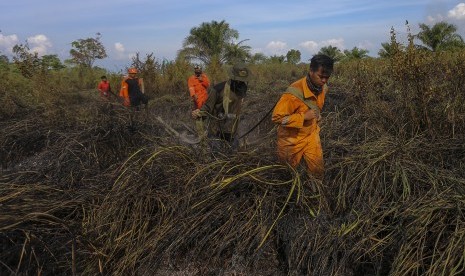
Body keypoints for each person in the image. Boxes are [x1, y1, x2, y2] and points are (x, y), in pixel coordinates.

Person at [271, 54, 334, 179]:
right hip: (291, 140)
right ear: (311, 71)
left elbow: (317, 105)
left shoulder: (323, 88)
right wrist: (303, 116)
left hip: (311, 135)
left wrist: (317, 115)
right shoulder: (293, 94)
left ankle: (316, 193)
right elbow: (277, 118)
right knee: (287, 174)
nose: (324, 81)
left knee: (317, 171)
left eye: (327, 77)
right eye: (321, 77)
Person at [191, 62, 250, 151]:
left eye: (243, 79)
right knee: (217, 155)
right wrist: (199, 112)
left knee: (233, 155)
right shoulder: (218, 89)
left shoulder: (242, 88)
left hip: (232, 130)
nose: (241, 82)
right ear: (233, 77)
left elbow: (238, 105)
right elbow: (207, 106)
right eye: (239, 79)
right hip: (217, 130)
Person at [188, 65, 210, 139]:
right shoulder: (191, 78)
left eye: (199, 70)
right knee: (197, 115)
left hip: (205, 99)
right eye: (196, 70)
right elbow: (191, 88)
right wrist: (193, 95)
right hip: (197, 100)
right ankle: (200, 134)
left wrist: (202, 80)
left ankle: (205, 131)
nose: (198, 71)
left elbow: (208, 85)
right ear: (195, 70)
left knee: (205, 115)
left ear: (201, 70)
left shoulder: (204, 77)